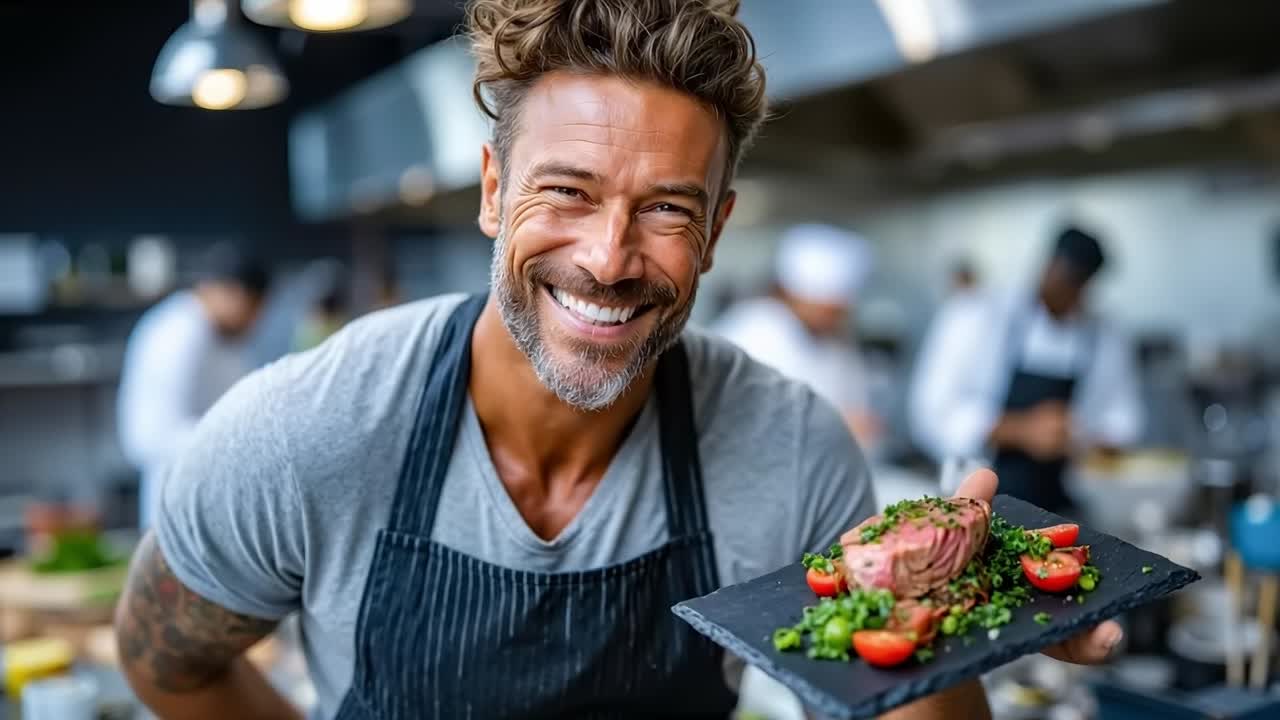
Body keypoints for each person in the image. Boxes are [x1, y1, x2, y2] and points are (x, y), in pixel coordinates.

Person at [114, 3, 1123, 719]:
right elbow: (166, 662)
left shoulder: (788, 445)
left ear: (718, 230)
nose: (607, 257)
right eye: (566, 192)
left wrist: (963, 624)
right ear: (489, 190)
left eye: (666, 208)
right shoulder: (306, 428)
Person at [909, 227, 1144, 512]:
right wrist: (1020, 430)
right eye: (1063, 276)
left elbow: (1123, 422)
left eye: (1077, 284)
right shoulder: (978, 315)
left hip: (1062, 505)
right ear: (1048, 264)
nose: (1065, 291)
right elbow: (931, 413)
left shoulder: (1104, 335)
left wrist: (1079, 438)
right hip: (974, 501)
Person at [116, 250, 270, 529]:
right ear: (233, 293)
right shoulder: (177, 333)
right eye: (255, 308)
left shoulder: (221, 337)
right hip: (177, 509)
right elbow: (151, 434)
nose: (256, 321)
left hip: (211, 507)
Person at [714, 224, 881, 448]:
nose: (836, 319)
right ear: (794, 294)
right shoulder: (754, 330)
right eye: (829, 309)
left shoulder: (835, 341)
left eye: (841, 311)